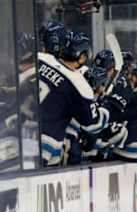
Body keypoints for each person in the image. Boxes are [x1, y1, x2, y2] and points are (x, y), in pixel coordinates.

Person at [38, 31, 111, 166]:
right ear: (82, 56)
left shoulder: (40, 58)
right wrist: (105, 108)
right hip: (46, 143)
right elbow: (90, 124)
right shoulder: (81, 86)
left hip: (19, 131)